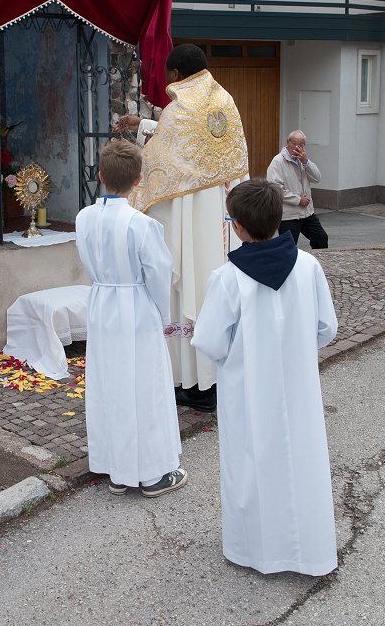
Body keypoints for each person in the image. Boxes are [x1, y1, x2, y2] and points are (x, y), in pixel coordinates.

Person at [192, 178, 338, 576]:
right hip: (298, 386)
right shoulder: (308, 267)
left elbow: (210, 341)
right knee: (301, 460)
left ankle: (255, 550)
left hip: (248, 388)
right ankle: (311, 548)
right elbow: (326, 328)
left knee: (251, 461)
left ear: (236, 226)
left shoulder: (227, 277)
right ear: (278, 220)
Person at [115, 44, 248, 412]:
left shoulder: (179, 110)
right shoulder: (223, 102)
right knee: (212, 296)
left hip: (186, 227)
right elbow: (187, 141)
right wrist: (141, 124)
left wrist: (128, 200)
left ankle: (193, 384)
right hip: (218, 225)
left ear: (174, 75)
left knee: (186, 295)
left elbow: (158, 166)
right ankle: (213, 378)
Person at [75, 139, 187, 497]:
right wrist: (163, 315)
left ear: (102, 176)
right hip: (136, 306)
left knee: (111, 385)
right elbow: (159, 272)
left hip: (102, 301)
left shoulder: (83, 217)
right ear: (139, 180)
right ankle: (153, 474)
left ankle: (117, 469)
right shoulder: (143, 225)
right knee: (145, 386)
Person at [267, 130, 328, 248]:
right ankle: (288, 266)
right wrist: (297, 199)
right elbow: (274, 189)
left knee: (321, 238)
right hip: (289, 214)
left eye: (301, 144)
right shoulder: (278, 161)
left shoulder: (303, 160)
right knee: (288, 246)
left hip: (307, 213)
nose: (297, 147)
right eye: (294, 143)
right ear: (287, 142)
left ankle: (317, 264)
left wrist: (306, 162)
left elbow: (317, 178)